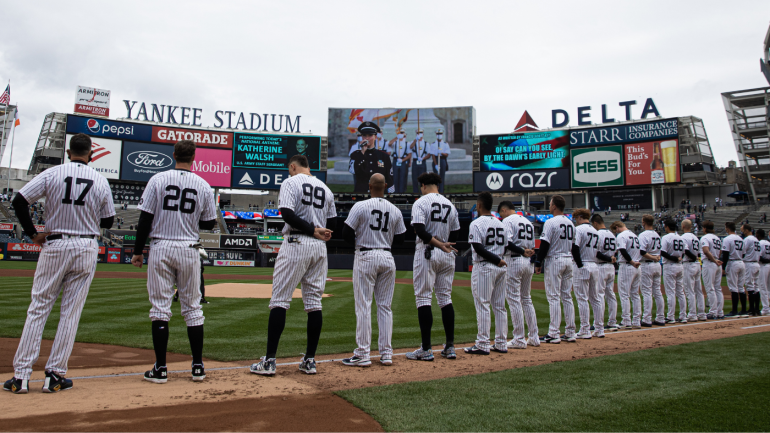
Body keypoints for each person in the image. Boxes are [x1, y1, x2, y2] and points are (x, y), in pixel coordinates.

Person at [3, 133, 115, 394]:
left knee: (39, 307)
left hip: (55, 243)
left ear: (68, 152)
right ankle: (55, 376)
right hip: (86, 245)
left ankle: (20, 377)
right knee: (70, 313)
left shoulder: (53, 173)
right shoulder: (99, 180)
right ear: (91, 155)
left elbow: (19, 201)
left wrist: (32, 233)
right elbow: (109, 221)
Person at [131, 140, 217, 384]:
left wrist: (138, 251)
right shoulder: (202, 184)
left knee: (160, 308)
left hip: (161, 246)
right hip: (190, 247)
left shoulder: (157, 180)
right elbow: (209, 224)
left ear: (173, 155)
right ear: (194, 158)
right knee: (193, 308)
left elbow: (145, 219)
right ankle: (198, 367)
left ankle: (161, 369)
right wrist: (189, 218)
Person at [250, 155, 336, 376]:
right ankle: (309, 360)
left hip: (297, 242)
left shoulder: (291, 181)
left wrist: (310, 229)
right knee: (314, 304)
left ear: (293, 166)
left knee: (280, 300)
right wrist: (318, 230)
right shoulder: (326, 188)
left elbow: (286, 214)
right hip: (319, 248)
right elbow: (333, 223)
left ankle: (269, 361)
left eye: (290, 169)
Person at [340, 174, 406, 367]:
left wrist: (362, 239)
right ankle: (386, 354)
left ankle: (363, 353)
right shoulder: (394, 210)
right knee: (385, 307)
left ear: (369, 186)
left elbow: (345, 233)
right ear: (385, 186)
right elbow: (402, 239)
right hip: (387, 256)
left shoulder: (359, 206)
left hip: (366, 255)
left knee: (364, 306)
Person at [406, 172, 460, 361]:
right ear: (438, 185)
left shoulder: (420, 202)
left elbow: (420, 230)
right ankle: (450, 346)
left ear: (423, 185)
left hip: (428, 251)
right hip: (447, 253)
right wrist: (445, 245)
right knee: (445, 298)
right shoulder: (451, 205)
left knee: (423, 298)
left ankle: (426, 349)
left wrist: (437, 244)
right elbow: (455, 235)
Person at [465, 192, 508, 355]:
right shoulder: (501, 223)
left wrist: (496, 259)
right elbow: (506, 245)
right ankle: (501, 343)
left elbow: (477, 247)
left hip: (485, 266)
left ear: (479, 205)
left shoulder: (476, 223)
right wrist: (499, 259)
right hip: (501, 266)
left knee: (483, 304)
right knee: (499, 306)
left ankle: (483, 343)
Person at [534, 195, 576, 343]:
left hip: (555, 260)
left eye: (551, 204)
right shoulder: (571, 223)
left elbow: (544, 245)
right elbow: (575, 246)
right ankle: (571, 332)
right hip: (568, 260)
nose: (550, 206)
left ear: (554, 206)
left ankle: (554, 333)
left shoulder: (550, 222)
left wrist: (538, 262)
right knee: (567, 296)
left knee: (553, 297)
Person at [498, 201, 538, 348]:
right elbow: (533, 246)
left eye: (501, 213)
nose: (501, 216)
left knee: (514, 299)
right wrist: (526, 252)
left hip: (515, 259)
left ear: (504, 210)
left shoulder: (507, 221)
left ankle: (519, 338)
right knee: (526, 298)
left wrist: (521, 251)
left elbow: (506, 242)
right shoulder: (528, 221)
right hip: (528, 262)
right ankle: (534, 337)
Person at [572, 208, 605, 339]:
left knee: (582, 298)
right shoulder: (595, 231)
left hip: (583, 263)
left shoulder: (579, 229)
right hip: (594, 264)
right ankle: (599, 329)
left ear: (580, 217)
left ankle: (585, 329)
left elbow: (575, 248)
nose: (576, 220)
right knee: (595, 298)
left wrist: (579, 265)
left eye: (576, 218)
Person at [591, 214, 620, 331]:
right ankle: (612, 321)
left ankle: (599, 322)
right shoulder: (612, 234)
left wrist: (608, 258)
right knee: (610, 294)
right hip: (611, 267)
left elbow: (596, 253)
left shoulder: (598, 234)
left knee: (600, 295)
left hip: (602, 266)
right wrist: (611, 258)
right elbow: (616, 252)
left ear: (595, 223)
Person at [612, 221, 642, 329]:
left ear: (617, 228)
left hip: (627, 265)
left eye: (615, 230)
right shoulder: (635, 235)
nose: (616, 232)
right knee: (635, 294)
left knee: (624, 294)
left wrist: (631, 262)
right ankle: (637, 321)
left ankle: (626, 321)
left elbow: (623, 250)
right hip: (637, 266)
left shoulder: (621, 235)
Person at [349, 122, 394, 193]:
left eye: (370, 135)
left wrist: (390, 194)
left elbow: (389, 177)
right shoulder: (356, 154)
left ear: (375, 137)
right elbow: (353, 170)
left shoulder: (383, 156)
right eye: (364, 135)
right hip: (361, 192)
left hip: (379, 193)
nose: (367, 138)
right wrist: (362, 152)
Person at [637, 215, 666, 327]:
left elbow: (642, 251)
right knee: (657, 292)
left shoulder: (643, 235)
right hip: (657, 264)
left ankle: (647, 319)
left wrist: (653, 257)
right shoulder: (656, 234)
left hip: (648, 264)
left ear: (644, 222)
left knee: (647, 292)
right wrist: (655, 257)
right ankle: (660, 317)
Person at [660, 219, 687, 323]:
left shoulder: (666, 237)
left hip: (670, 265)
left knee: (671, 292)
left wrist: (674, 258)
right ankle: (683, 316)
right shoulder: (680, 238)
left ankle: (671, 316)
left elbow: (663, 252)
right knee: (680, 292)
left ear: (667, 227)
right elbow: (684, 253)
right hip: (680, 266)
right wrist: (678, 258)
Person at [720, 222, 748, 318]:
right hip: (741, 262)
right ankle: (744, 310)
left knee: (733, 288)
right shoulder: (741, 239)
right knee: (741, 287)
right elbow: (744, 254)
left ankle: (735, 311)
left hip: (733, 263)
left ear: (727, 228)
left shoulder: (727, 239)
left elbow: (726, 254)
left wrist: (723, 267)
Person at [680, 219, 705, 321]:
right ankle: (702, 313)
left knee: (689, 290)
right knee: (698, 290)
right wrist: (696, 259)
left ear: (683, 226)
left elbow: (685, 250)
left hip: (689, 264)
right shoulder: (695, 237)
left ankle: (692, 314)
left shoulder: (683, 237)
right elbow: (699, 253)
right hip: (697, 264)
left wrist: (693, 258)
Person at [700, 220, 724, 320]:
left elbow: (706, 251)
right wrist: (716, 259)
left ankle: (713, 311)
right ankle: (720, 311)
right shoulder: (717, 238)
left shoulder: (705, 238)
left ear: (705, 228)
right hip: (717, 264)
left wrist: (714, 260)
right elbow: (720, 251)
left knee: (710, 288)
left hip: (710, 263)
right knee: (718, 288)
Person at [740, 224, 761, 317]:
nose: (742, 232)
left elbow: (742, 252)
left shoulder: (747, 239)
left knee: (749, 285)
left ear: (746, 230)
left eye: (743, 230)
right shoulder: (756, 239)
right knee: (756, 286)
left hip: (749, 263)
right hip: (757, 263)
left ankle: (751, 309)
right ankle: (757, 309)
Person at [430, 128, 451, 193]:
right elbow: (433, 155)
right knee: (435, 178)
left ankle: (441, 192)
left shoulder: (445, 144)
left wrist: (441, 152)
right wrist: (436, 164)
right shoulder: (433, 144)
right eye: (438, 134)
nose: (439, 135)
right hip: (436, 160)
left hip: (442, 160)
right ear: (436, 134)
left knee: (442, 178)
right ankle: (435, 192)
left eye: (440, 134)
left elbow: (447, 154)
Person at [410, 129, 431, 194]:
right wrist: (415, 139)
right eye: (418, 133)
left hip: (422, 162)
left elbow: (429, 154)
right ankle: (415, 193)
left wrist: (423, 158)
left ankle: (422, 193)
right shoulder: (414, 142)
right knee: (415, 179)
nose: (419, 134)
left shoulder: (426, 143)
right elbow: (411, 147)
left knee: (423, 179)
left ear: (423, 134)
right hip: (415, 162)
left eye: (421, 132)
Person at [390, 130, 411, 194]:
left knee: (402, 177)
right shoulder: (395, 142)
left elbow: (409, 155)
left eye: (402, 133)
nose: (401, 134)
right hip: (396, 160)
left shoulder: (407, 143)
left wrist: (402, 160)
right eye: (399, 133)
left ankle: (401, 192)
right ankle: (395, 192)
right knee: (395, 177)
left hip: (403, 161)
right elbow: (389, 143)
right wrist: (396, 137)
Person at [756, 229, 770, 316]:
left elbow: (760, 257)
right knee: (769, 288)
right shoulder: (768, 243)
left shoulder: (760, 243)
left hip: (763, 266)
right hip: (769, 265)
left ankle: (766, 308)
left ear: (758, 234)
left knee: (762, 287)